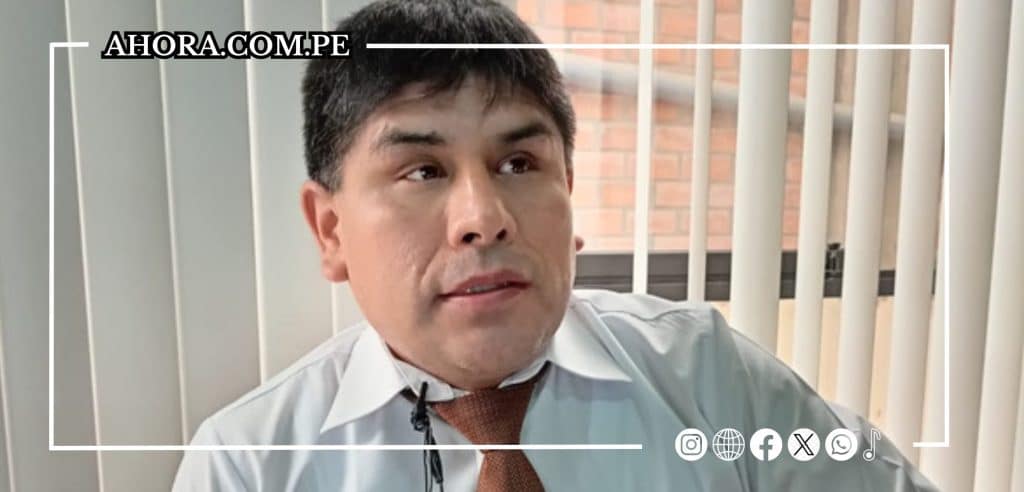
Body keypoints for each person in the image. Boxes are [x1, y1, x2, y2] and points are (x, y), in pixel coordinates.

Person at [172, 0, 938, 490]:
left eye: (518, 163)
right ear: (331, 230)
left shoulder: (704, 375)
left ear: (569, 193)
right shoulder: (251, 464)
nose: (483, 217)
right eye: (422, 170)